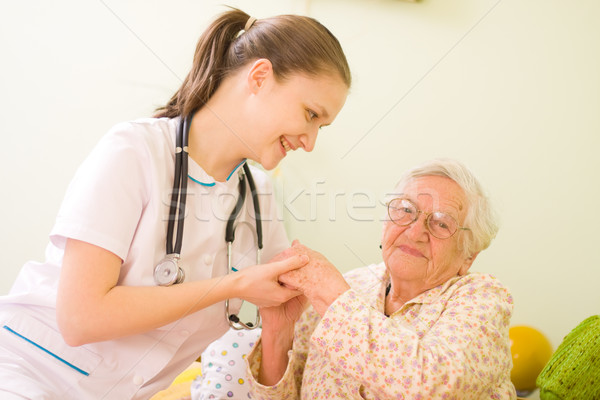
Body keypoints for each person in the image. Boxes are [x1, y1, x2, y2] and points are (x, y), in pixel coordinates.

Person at [0, 8, 350, 399]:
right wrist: (231, 285)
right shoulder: (135, 150)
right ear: (260, 77)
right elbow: (80, 319)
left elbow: (273, 351)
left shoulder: (258, 196)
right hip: (28, 373)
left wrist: (279, 329)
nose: (310, 141)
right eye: (310, 114)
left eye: (322, 126)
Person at [247, 158, 517, 399]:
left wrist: (329, 292)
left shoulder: (482, 297)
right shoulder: (351, 285)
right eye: (405, 210)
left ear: (468, 256)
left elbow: (433, 387)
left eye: (441, 223)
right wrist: (277, 334)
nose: (414, 232)